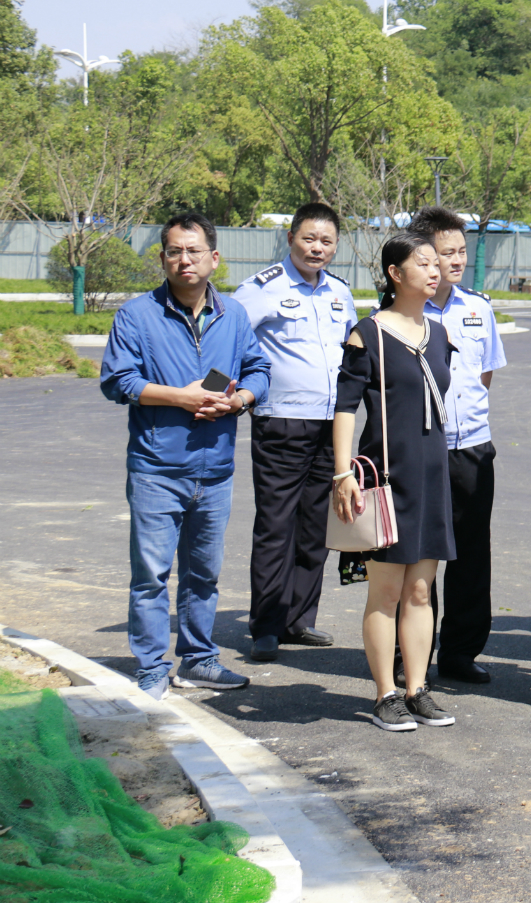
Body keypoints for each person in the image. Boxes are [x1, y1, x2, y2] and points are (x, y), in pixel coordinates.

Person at [101, 212, 269, 700]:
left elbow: (258, 369)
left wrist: (238, 401)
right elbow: (118, 381)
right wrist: (182, 397)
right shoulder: (137, 315)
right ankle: (152, 666)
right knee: (151, 576)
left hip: (215, 469)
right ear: (162, 258)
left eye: (193, 251)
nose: (184, 260)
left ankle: (199, 659)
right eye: (174, 251)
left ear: (213, 258)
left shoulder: (233, 315)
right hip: (157, 469)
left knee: (203, 575)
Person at [331, 234, 457, 731]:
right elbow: (344, 407)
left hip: (433, 476)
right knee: (385, 592)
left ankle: (417, 689)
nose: (435, 270)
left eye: (436, 263)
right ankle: (385, 694)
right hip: (387, 477)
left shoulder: (440, 334)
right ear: (394, 273)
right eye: (423, 263)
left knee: (421, 591)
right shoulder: (368, 334)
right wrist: (343, 473)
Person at [234, 202, 358, 663]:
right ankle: (267, 625)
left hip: (331, 424)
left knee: (316, 526)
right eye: (309, 239)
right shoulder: (261, 289)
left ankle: (299, 619)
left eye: (327, 241)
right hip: (281, 421)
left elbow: (354, 351)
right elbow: (227, 342)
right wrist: (219, 393)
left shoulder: (340, 292)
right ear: (290, 239)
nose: (317, 248)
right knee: (276, 524)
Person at [406, 207, 508, 685]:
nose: (458, 260)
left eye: (462, 251)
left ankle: (461, 651)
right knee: (419, 555)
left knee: (471, 552)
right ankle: (412, 652)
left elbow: (484, 374)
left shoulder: (478, 307)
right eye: (447, 252)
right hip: (422, 449)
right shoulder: (401, 312)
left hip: (472, 447)